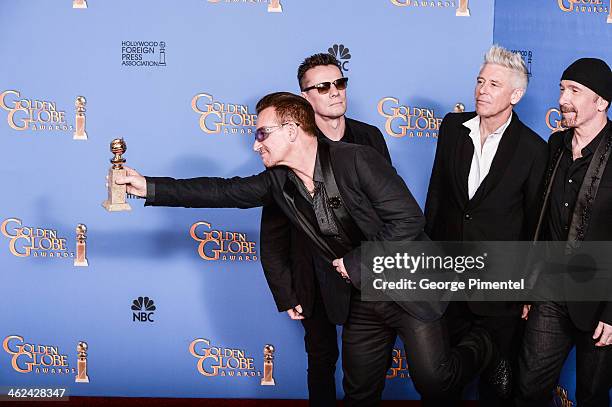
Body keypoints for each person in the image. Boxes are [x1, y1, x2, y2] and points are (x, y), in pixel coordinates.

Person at [117, 92, 502, 407]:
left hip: (409, 285)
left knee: (435, 382)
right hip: (361, 301)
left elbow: (408, 222)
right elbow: (223, 191)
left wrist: (356, 263)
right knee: (360, 392)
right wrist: (150, 186)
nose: (255, 144)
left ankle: (485, 341)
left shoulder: (357, 160)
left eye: (262, 134)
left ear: (291, 129)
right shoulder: (278, 181)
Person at [259, 53, 390, 406]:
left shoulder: (370, 138)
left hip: (368, 272)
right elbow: (272, 233)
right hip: (313, 277)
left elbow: (387, 212)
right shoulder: (290, 146)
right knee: (320, 359)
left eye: (339, 83)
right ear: (305, 98)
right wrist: (285, 291)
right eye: (323, 86)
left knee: (364, 366)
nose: (335, 91)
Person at [424, 45, 548, 404]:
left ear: (516, 94)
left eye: (494, 83)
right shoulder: (451, 127)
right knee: (441, 381)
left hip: (499, 290)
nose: (482, 90)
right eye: (480, 81)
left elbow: (533, 225)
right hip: (445, 281)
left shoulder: (533, 149)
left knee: (497, 386)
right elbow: (436, 197)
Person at [517, 57, 612, 407]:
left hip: (602, 299)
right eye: (561, 89)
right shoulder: (555, 145)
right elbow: (539, 221)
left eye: (574, 91)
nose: (562, 99)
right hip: (550, 291)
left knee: (593, 395)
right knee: (529, 390)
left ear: (600, 102)